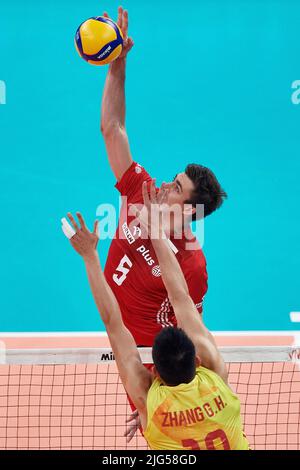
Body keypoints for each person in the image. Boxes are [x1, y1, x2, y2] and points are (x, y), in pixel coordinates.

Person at [65, 182, 249, 450]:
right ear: (197, 359)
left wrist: (90, 256)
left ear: (155, 373)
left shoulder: (150, 404)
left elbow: (114, 323)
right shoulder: (216, 374)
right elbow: (180, 298)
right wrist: (156, 232)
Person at [100, 6, 227, 347]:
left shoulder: (191, 264)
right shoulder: (143, 190)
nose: (166, 185)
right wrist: (118, 63)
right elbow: (113, 130)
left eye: (177, 188)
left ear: (189, 210)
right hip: (117, 332)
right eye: (174, 178)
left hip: (149, 358)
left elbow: (193, 331)